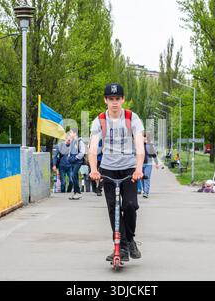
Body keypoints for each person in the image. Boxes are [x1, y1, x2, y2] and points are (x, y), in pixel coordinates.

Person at [89, 83, 145, 263]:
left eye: (117, 99)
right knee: (113, 208)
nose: (114, 102)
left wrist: (138, 169)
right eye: (110, 99)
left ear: (123, 99)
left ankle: (129, 240)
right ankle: (120, 246)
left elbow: (139, 146)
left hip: (129, 169)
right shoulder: (99, 120)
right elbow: (92, 149)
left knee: (129, 205)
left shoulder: (132, 118)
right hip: (108, 170)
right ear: (105, 100)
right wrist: (94, 170)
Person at [138, 132, 160, 198]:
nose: (144, 138)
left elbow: (154, 155)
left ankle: (146, 192)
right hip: (140, 164)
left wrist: (156, 163)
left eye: (145, 137)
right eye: (143, 137)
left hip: (148, 164)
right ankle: (144, 190)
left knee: (147, 178)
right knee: (141, 177)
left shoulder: (150, 145)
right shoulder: (139, 145)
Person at [68, 129, 86, 200]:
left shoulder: (80, 141)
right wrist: (69, 157)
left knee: (73, 174)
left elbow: (82, 152)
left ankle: (78, 192)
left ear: (75, 133)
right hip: (72, 161)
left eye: (71, 132)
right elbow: (70, 150)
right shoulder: (72, 141)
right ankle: (76, 193)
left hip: (78, 161)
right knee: (75, 176)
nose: (69, 133)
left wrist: (75, 158)